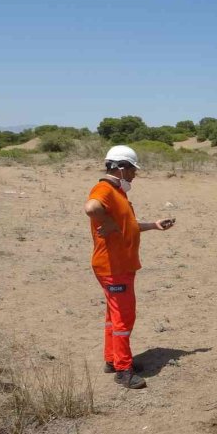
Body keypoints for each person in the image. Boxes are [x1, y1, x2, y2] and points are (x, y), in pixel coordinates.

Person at [84, 145, 176, 389]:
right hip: (113, 267)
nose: (135, 174)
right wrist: (109, 223)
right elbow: (91, 208)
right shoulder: (104, 189)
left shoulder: (118, 192)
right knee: (124, 317)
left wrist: (154, 225)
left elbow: (128, 224)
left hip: (118, 265)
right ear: (121, 168)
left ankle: (112, 359)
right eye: (133, 169)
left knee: (113, 316)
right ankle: (123, 370)